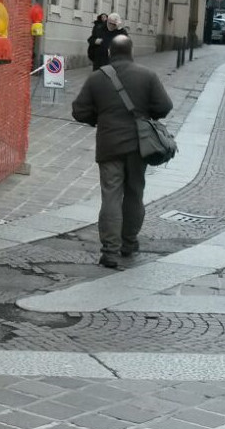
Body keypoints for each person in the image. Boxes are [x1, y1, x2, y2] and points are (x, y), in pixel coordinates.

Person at [71, 35, 174, 268]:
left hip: (109, 145)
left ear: (110, 52)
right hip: (139, 146)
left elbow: (79, 111)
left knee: (111, 196)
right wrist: (145, 115)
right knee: (135, 193)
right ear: (131, 51)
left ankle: (110, 251)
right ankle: (129, 243)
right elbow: (164, 106)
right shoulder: (147, 76)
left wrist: (99, 118)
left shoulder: (97, 78)